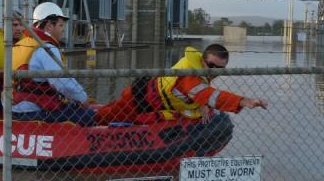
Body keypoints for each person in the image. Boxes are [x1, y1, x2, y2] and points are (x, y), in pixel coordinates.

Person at [96, 44, 268, 125]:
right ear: (202, 60)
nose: (214, 71)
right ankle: (80, 122)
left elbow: (201, 94)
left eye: (220, 69)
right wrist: (244, 101)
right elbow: (211, 95)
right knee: (104, 117)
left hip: (156, 104)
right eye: (212, 66)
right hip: (139, 99)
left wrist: (202, 104)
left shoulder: (201, 71)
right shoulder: (190, 76)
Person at [11, 2, 96, 126]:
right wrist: (84, 99)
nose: (63, 30)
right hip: (34, 112)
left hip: (15, 110)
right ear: (50, 26)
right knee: (88, 115)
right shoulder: (47, 49)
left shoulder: (21, 44)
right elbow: (63, 84)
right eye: (61, 25)